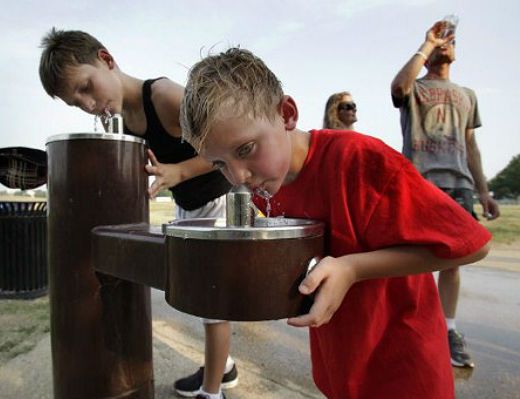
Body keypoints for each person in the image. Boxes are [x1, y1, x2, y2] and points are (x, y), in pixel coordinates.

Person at [179, 47, 491, 399]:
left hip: (404, 369)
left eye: (246, 149)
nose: (238, 176)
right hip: (340, 364)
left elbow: (473, 244)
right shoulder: (267, 183)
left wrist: (353, 268)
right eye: (219, 164)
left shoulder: (358, 161)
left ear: (286, 113)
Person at [38, 28, 238, 399]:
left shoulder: (163, 97)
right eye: (75, 103)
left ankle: (213, 393)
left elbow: (229, 142)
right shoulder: (113, 116)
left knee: (211, 300)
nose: (87, 105)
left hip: (218, 200)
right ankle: (223, 367)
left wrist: (179, 171)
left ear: (106, 59)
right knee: (194, 292)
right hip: (189, 203)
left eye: (86, 87)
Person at [391, 19, 500, 368]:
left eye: (449, 41)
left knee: (454, 260)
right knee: (413, 261)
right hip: (420, 181)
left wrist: (483, 192)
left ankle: (448, 330)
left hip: (460, 185)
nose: (444, 44)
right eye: (440, 40)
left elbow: (471, 145)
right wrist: (426, 45)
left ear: (455, 51)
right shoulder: (417, 88)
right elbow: (397, 87)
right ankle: (412, 328)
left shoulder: (467, 95)